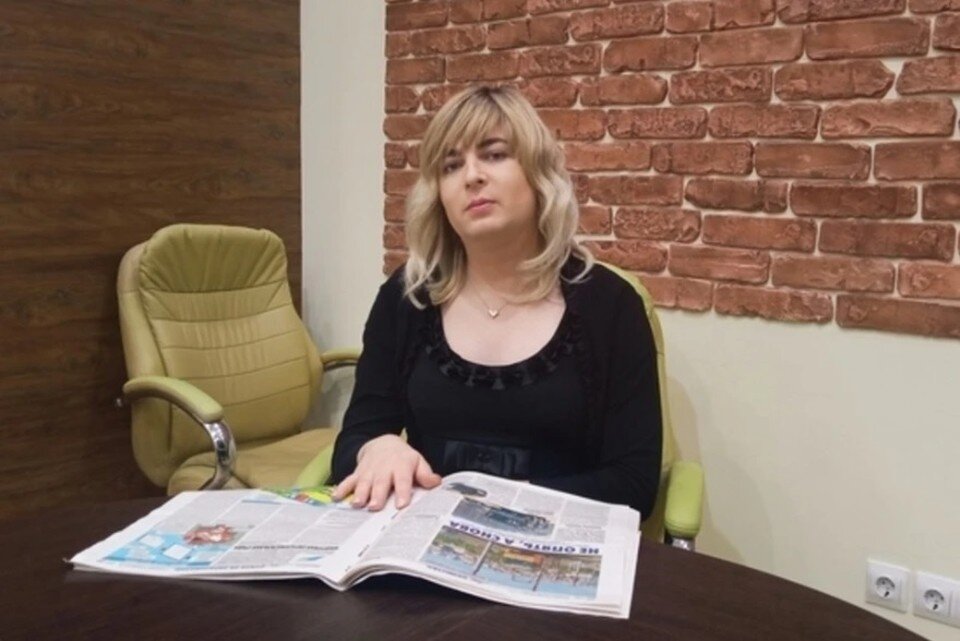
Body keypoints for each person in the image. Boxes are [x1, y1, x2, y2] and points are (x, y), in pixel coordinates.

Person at [330, 85, 662, 517]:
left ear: (538, 174)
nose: (471, 176)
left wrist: (499, 507)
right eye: (451, 165)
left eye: (494, 154)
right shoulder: (406, 297)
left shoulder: (611, 306)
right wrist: (377, 448)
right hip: (419, 540)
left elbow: (634, 484)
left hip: (552, 541)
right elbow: (350, 449)